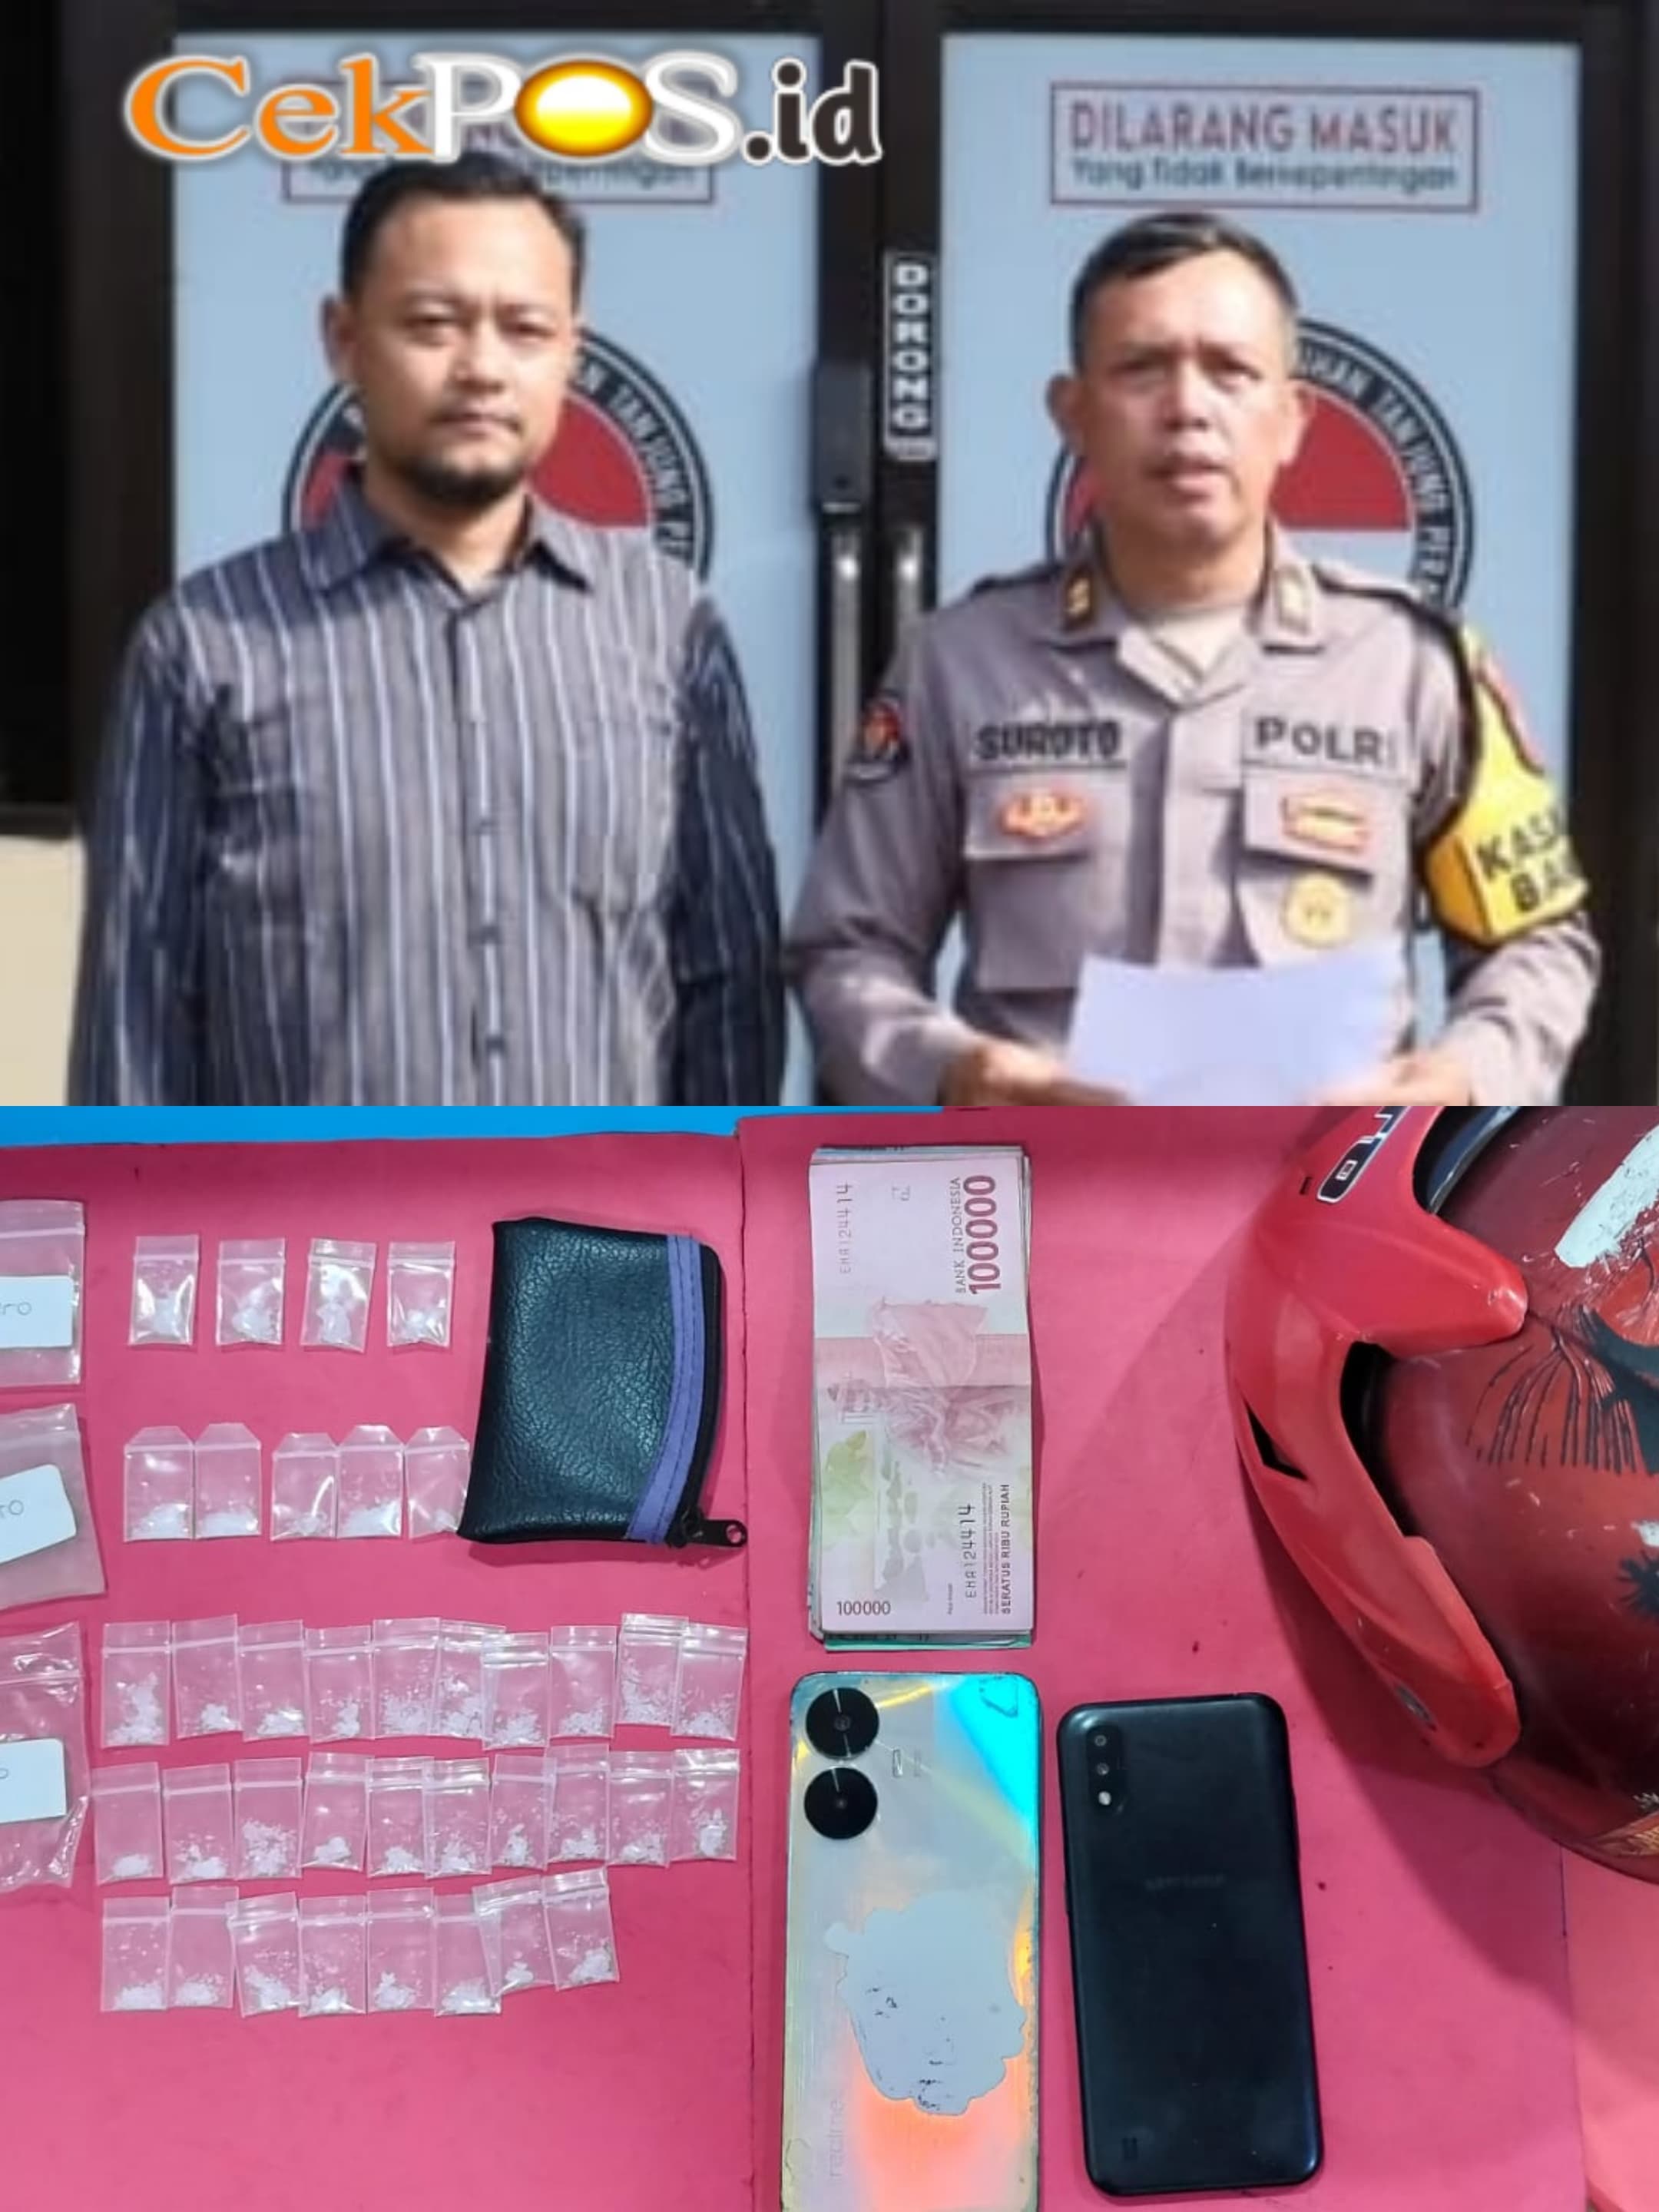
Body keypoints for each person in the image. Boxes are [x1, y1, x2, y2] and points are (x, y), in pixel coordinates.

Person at [786, 210, 1599, 1108]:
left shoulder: (1412, 666)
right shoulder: (961, 665)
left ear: (1293, 418)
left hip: (1334, 1186)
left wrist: (1462, 1079)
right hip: (1051, 1187)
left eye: (1231, 371)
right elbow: (847, 950)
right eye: (1142, 368)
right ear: (1072, 414)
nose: (1187, 409)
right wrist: (950, 1070)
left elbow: (1536, 944)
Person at [69, 152, 784, 1106]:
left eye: (525, 329)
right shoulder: (206, 646)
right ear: (343, 339)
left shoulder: (667, 629)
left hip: (602, 1206)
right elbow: (137, 1012)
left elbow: (729, 982)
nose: (481, 368)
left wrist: (718, 1197)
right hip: (314, 1207)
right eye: (433, 325)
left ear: (572, 351)